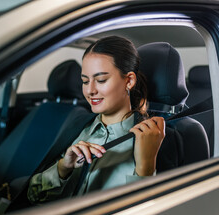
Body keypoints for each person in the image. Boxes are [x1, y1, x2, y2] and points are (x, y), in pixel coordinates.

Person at [27, 36, 165, 204]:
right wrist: (63, 167)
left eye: (101, 80)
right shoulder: (77, 126)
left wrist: (146, 165)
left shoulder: (153, 140)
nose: (90, 90)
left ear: (129, 81)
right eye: (85, 81)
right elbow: (33, 196)